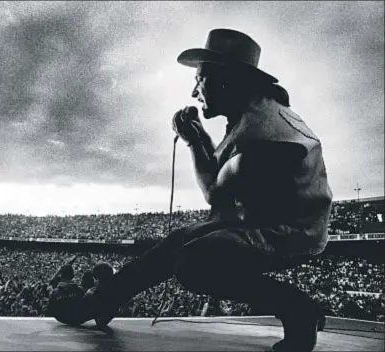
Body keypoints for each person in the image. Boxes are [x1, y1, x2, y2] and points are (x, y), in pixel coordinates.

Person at [60, 29, 333, 352]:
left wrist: (193, 142)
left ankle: (297, 308)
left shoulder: (260, 135)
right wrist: (201, 138)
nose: (194, 91)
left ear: (226, 81)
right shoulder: (255, 111)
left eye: (200, 79)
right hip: (264, 214)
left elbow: (217, 195)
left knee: (194, 264)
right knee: (177, 241)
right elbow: (224, 172)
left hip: (289, 231)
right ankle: (103, 301)